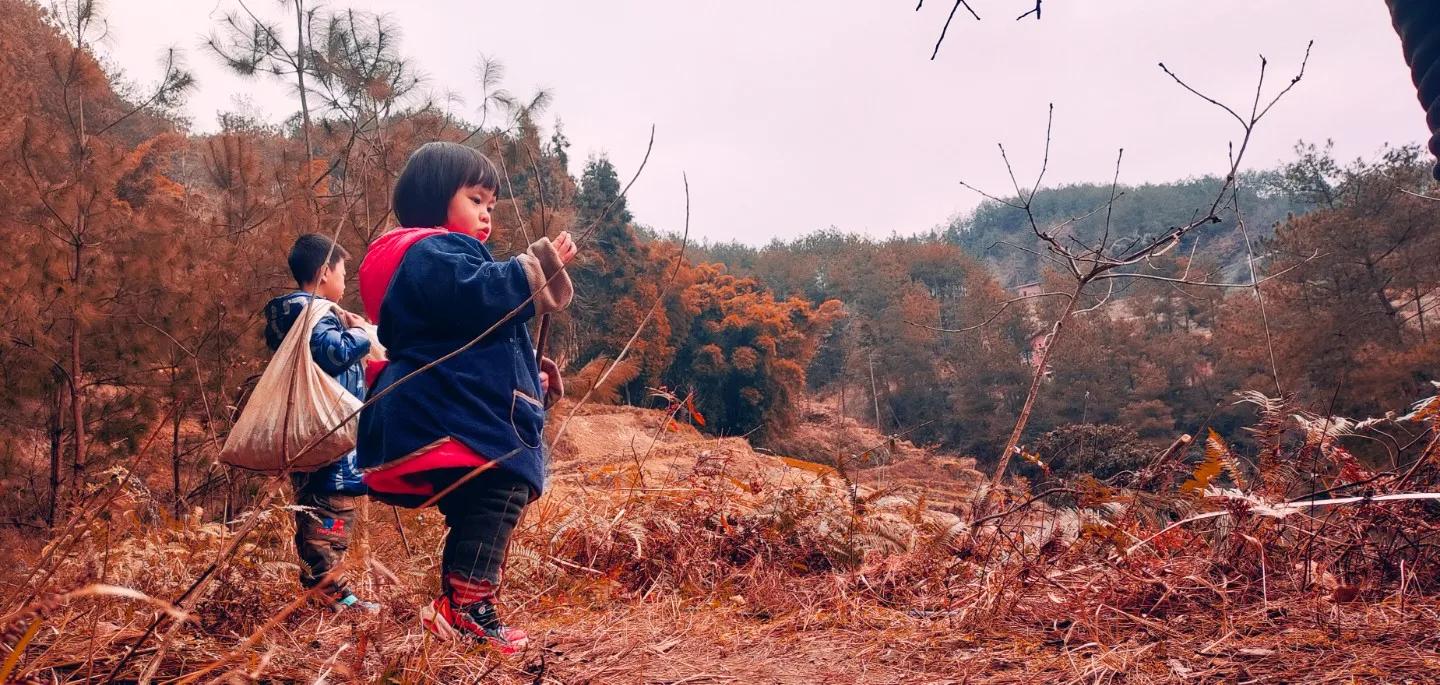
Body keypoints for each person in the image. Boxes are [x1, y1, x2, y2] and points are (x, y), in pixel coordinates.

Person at [356, 141, 575, 653]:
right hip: (449, 413)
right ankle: (468, 609)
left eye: (491, 206)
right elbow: (485, 295)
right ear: (435, 199)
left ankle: (460, 607)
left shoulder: (431, 261)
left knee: (483, 501)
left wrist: (534, 379)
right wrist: (539, 265)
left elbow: (476, 337)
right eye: (476, 199)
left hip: (445, 407)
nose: (486, 216)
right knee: (498, 492)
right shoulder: (433, 253)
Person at [263, 234, 380, 613]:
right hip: (329, 438)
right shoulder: (313, 313)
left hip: (308, 436)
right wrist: (360, 333)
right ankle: (331, 594)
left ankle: (329, 589)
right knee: (330, 513)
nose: (346, 281)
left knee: (319, 506)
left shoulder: (294, 315)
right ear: (325, 272)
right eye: (343, 272)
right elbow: (335, 353)